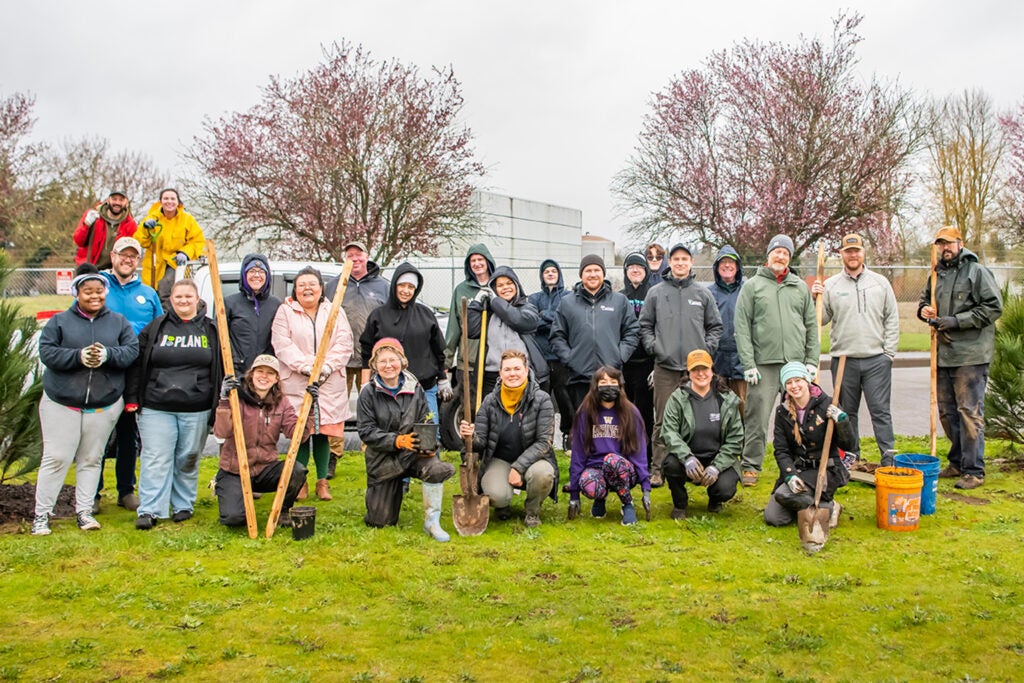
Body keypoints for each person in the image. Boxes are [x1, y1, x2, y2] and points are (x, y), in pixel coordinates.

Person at [32, 265, 138, 536]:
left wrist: (108, 355)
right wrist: (77, 356)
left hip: (103, 404)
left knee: (91, 458)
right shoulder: (59, 322)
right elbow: (47, 353)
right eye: (88, 291)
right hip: (62, 402)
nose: (95, 296)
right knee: (56, 457)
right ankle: (42, 515)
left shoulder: (118, 322)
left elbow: (131, 351)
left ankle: (84, 512)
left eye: (99, 290)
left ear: (105, 292)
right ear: (77, 293)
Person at [126, 278, 220, 530]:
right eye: (178, 297)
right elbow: (138, 364)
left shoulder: (211, 329)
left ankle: (182, 505)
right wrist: (133, 398)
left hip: (196, 407)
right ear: (170, 300)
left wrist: (218, 403)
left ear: (198, 299)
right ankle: (150, 509)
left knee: (188, 458)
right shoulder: (156, 328)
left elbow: (220, 368)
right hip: (157, 406)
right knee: (156, 457)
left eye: (188, 296)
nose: (183, 301)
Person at [917, 226, 1002, 490]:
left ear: (960, 244)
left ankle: (974, 470)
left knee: (969, 412)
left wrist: (956, 321)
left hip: (971, 355)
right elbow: (922, 302)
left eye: (949, 244)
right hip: (944, 355)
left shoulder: (976, 272)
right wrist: (924, 311)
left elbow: (993, 307)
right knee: (947, 412)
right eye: (941, 244)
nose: (946, 249)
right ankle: (957, 462)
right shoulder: (936, 274)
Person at [734, 234, 817, 488]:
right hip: (763, 365)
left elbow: (811, 325)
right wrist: (748, 363)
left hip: (794, 364)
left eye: (785, 253)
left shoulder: (799, 286)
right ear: (768, 255)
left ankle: (800, 462)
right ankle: (750, 465)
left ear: (789, 258)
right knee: (757, 415)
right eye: (776, 252)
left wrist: (811, 360)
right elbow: (742, 327)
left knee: (800, 416)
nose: (780, 256)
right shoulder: (753, 286)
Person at [639, 242, 723, 487]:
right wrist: (655, 348)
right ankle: (658, 469)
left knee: (698, 418)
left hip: (695, 370)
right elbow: (644, 326)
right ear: (670, 263)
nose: (680, 263)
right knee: (663, 420)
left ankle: (694, 465)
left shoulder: (702, 294)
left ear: (691, 263)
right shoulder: (656, 293)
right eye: (675, 259)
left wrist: (705, 352)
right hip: (665, 368)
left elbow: (715, 327)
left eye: (684, 259)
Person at [811, 233, 899, 464]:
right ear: (841, 253)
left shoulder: (880, 283)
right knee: (847, 413)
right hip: (844, 360)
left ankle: (888, 456)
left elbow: (891, 318)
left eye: (856, 251)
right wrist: (815, 299)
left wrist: (889, 353)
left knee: (880, 410)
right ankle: (852, 455)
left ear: (863, 253)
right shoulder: (830, 285)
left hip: (876, 359)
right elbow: (821, 320)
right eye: (848, 251)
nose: (852, 255)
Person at [356, 338, 455, 541]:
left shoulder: (416, 388)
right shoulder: (368, 393)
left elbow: (425, 420)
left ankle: (432, 522)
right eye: (382, 361)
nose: (388, 365)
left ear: (402, 362)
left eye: (393, 360)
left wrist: (429, 446)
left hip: (412, 455)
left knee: (435, 468)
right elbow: (366, 431)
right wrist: (397, 441)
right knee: (380, 521)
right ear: (374, 365)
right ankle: (389, 492)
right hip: (383, 462)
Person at [271, 266, 354, 501]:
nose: (307, 288)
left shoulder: (335, 310)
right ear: (295, 290)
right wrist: (307, 367)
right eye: (301, 285)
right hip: (297, 382)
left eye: (312, 284)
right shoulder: (285, 312)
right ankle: (300, 481)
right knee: (301, 432)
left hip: (328, 382)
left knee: (322, 432)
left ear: (321, 288)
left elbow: (343, 342)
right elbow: (281, 343)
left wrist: (326, 367)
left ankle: (322, 481)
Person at [94, 237, 162, 513]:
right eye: (124, 255)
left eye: (133, 256)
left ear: (138, 260)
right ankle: (93, 493)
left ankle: (126, 490)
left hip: (135, 374)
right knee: (97, 436)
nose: (128, 260)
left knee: (128, 435)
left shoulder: (148, 293)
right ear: (113, 255)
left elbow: (159, 330)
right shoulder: (99, 286)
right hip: (101, 372)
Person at [458, 350, 558, 527]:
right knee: (496, 495)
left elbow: (544, 442)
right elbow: (480, 442)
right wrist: (470, 436)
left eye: (517, 369)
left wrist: (518, 468)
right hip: (500, 459)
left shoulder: (542, 400)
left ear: (526, 371)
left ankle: (533, 511)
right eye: (508, 369)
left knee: (543, 474)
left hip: (535, 460)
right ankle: (502, 505)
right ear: (500, 373)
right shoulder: (490, 401)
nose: (513, 374)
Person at [213, 355, 308, 528]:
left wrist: (311, 409)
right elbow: (221, 432)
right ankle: (222, 485)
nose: (264, 376)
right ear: (252, 374)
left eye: (270, 373)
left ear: (276, 378)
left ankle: (283, 510)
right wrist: (225, 400)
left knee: (297, 470)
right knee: (234, 519)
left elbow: (297, 436)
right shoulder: (237, 397)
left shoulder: (281, 402)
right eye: (260, 371)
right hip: (235, 470)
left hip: (265, 468)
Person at [325, 241, 390, 475]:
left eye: (358, 254)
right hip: (339, 357)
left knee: (370, 406)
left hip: (371, 359)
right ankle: (333, 455)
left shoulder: (382, 286)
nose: (355, 259)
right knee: (335, 408)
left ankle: (370, 451)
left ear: (367, 256)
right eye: (350, 255)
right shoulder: (334, 285)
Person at [764, 362, 853, 530]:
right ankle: (819, 506)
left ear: (807, 381)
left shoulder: (827, 404)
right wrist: (790, 475)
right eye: (789, 382)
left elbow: (848, 444)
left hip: (824, 469)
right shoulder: (782, 411)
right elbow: (781, 450)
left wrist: (842, 422)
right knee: (774, 517)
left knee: (783, 495)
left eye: (798, 380)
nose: (794, 386)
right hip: (800, 470)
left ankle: (829, 507)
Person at [360, 262, 448, 424]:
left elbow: (439, 351)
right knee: (392, 434)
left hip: (424, 387)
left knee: (428, 435)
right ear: (394, 285)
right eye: (402, 285)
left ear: (416, 289)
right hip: (388, 390)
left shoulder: (426, 315)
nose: (406, 291)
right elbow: (366, 352)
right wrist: (365, 383)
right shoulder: (378, 316)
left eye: (410, 287)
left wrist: (442, 379)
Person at [550, 254, 640, 411]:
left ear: (603, 274)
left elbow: (632, 331)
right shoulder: (567, 303)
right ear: (581, 275)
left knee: (612, 426)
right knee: (583, 426)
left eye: (597, 270)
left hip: (611, 379)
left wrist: (619, 356)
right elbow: (557, 336)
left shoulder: (619, 301)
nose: (592, 274)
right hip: (579, 379)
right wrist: (571, 359)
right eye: (588, 270)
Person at [660, 350, 743, 519]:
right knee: (670, 464)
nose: (700, 373)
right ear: (689, 373)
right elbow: (668, 432)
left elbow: (736, 439)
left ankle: (715, 499)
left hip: (717, 457)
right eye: (695, 369)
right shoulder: (677, 398)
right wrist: (687, 457)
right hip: (688, 458)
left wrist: (717, 466)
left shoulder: (727, 399)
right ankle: (680, 504)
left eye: (704, 368)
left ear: (712, 370)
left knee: (725, 488)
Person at [566, 366, 651, 526]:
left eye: (613, 382)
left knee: (612, 460)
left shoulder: (631, 412)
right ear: (595, 386)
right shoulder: (585, 412)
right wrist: (574, 495)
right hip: (595, 468)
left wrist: (646, 487)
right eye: (603, 382)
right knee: (589, 483)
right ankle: (600, 498)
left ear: (620, 386)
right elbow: (578, 453)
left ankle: (627, 504)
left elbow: (639, 451)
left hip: (623, 470)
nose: (608, 386)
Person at [467, 266, 548, 397]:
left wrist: (495, 301)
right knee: (493, 415)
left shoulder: (527, 308)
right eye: (500, 285)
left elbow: (518, 320)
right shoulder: (488, 313)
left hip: (521, 374)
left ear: (517, 285)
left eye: (509, 283)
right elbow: (472, 330)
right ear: (494, 289)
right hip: (491, 375)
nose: (505, 287)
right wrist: (476, 303)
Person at [134, 188, 206, 309]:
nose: (169, 201)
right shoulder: (152, 218)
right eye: (166, 198)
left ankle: (165, 319)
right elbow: (140, 241)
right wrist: (146, 229)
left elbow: (197, 240)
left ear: (178, 202)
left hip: (174, 262)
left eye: (173, 199)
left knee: (166, 290)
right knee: (149, 294)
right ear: (160, 201)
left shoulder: (187, 220)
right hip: (153, 263)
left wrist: (185, 252)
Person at [528, 259, 573, 448]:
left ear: (559, 273)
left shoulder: (568, 296)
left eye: (554, 271)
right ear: (542, 275)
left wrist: (543, 315)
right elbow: (531, 323)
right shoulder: (534, 298)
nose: (551, 274)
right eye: (547, 271)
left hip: (561, 358)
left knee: (565, 399)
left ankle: (568, 435)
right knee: (541, 399)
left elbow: (565, 321)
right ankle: (541, 437)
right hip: (540, 358)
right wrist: (552, 317)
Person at [443, 243, 496, 404]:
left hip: (494, 360)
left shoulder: (498, 286)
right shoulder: (461, 290)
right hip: (469, 361)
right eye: (473, 260)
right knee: (469, 404)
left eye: (480, 259)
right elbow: (453, 327)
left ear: (488, 262)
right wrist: (446, 361)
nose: (477, 264)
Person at [619, 251, 655, 469]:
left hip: (647, 364)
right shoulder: (619, 297)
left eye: (639, 267)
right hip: (625, 364)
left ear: (646, 271)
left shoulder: (653, 294)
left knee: (645, 413)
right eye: (631, 267)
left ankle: (647, 457)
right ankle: (626, 455)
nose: (635, 270)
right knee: (625, 412)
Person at [224, 254, 283, 377]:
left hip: (266, 375)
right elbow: (222, 339)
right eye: (252, 271)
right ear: (244, 275)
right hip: (238, 373)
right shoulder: (229, 303)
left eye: (261, 271)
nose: (257, 275)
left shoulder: (276, 304)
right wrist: (234, 363)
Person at [708, 246, 747, 412]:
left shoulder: (747, 290)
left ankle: (744, 439)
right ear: (717, 267)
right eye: (723, 262)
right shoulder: (708, 293)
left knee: (744, 409)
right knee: (719, 411)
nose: (727, 265)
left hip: (742, 363)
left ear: (737, 267)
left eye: (731, 262)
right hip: (718, 363)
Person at [73, 190, 137, 269]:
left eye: (121, 200)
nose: (117, 203)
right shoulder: (93, 216)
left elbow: (130, 251)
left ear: (126, 203)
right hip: (88, 267)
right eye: (114, 199)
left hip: (113, 271)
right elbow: (78, 241)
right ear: (108, 200)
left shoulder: (130, 225)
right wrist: (86, 224)